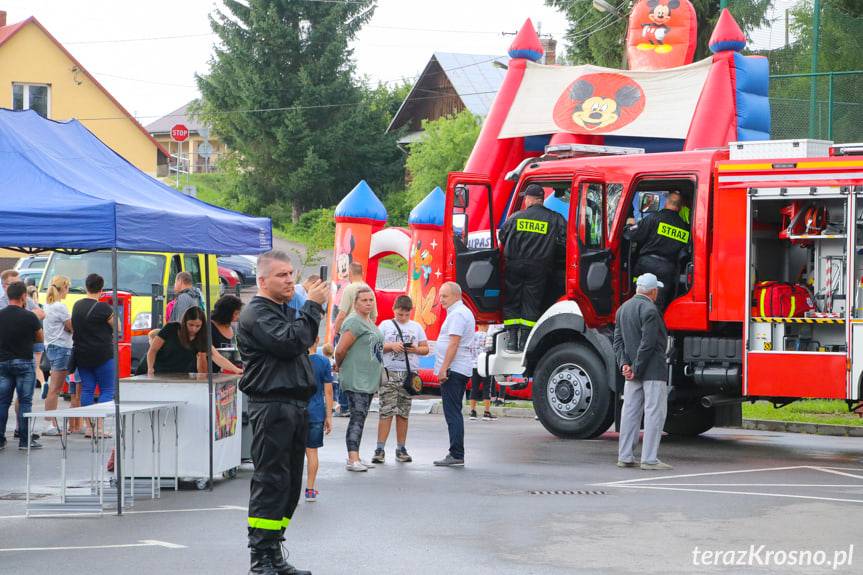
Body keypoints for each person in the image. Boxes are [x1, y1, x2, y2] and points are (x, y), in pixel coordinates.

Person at [237, 250, 327, 575]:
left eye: (291, 274)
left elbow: (304, 338)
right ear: (262, 280)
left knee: (289, 484)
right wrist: (313, 306)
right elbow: (292, 343)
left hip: (294, 406)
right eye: (281, 275)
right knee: (271, 480)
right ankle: (260, 559)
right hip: (272, 406)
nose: (289, 280)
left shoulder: (283, 310)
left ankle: (274, 552)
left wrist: (308, 310)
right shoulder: (258, 313)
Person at [613, 273, 672, 471]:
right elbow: (648, 344)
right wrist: (636, 369)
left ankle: (625, 456)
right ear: (653, 291)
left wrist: (625, 366)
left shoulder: (622, 309)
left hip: (631, 372)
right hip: (652, 370)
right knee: (654, 413)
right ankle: (649, 459)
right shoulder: (650, 310)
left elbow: (618, 342)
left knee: (629, 412)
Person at [498, 183, 565, 352]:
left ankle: (512, 340)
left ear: (529, 199)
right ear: (541, 200)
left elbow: (502, 236)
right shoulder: (555, 218)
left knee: (512, 301)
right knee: (532, 302)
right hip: (539, 268)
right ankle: (525, 341)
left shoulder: (515, 218)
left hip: (514, 266)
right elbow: (565, 242)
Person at [371, 295, 429, 464]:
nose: (402, 318)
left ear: (410, 312)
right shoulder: (385, 325)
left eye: (405, 315)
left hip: (408, 375)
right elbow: (375, 345)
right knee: (386, 411)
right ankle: (380, 448)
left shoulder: (416, 327)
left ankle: (401, 448)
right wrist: (391, 346)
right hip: (389, 373)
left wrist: (416, 350)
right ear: (394, 310)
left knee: (403, 413)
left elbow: (425, 349)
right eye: (399, 314)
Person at [334, 286, 383, 472]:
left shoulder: (369, 321)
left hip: (369, 378)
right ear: (355, 303)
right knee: (357, 416)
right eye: (364, 300)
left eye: (371, 300)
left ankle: (356, 456)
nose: (369, 303)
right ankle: (352, 458)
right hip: (356, 377)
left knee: (361, 417)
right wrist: (339, 365)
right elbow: (340, 349)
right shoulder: (354, 321)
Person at [433, 282, 475, 467]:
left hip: (454, 369)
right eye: (440, 296)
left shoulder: (458, 314)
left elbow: (453, 343)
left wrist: (444, 368)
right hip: (458, 367)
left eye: (445, 296)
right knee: (453, 411)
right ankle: (456, 452)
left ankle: (456, 453)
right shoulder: (459, 312)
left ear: (456, 296)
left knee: (452, 413)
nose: (441, 300)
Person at [625, 190, 690, 310]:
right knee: (659, 304)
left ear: (666, 202)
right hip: (668, 271)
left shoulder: (654, 218)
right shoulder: (685, 228)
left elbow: (630, 235)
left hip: (646, 267)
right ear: (680, 207)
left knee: (639, 301)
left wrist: (629, 225)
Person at [0, 281, 44, 451]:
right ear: (24, 296)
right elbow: (40, 338)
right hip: (24, 362)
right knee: (25, 401)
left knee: (3, 402)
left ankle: (0, 439)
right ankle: (25, 441)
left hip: (3, 362)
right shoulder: (29, 316)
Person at [147, 307, 240, 375]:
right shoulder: (171, 328)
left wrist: (236, 370)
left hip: (181, 376)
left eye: (197, 326)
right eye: (190, 325)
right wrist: (150, 368)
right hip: (158, 372)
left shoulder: (202, 337)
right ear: (184, 322)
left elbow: (217, 357)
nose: (194, 329)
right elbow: (153, 350)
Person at [71, 274, 115, 409]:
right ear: (101, 289)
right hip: (102, 355)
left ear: (86, 287)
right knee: (107, 390)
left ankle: (90, 428)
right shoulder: (104, 308)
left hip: (82, 355)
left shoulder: (77, 305)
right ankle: (100, 427)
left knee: (87, 390)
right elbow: (118, 326)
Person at [42, 275, 74, 437]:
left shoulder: (47, 306)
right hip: (62, 347)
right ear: (64, 288)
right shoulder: (60, 307)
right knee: (55, 389)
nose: (68, 291)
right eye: (68, 288)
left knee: (53, 387)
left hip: (51, 346)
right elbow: (71, 327)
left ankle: (51, 422)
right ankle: (51, 424)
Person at [304, 337, 333, 503]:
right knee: (312, 452)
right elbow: (328, 392)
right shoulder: (323, 362)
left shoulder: (295, 360)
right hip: (315, 412)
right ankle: (309, 489)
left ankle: (288, 490)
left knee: (291, 453)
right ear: (317, 340)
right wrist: (328, 416)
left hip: (294, 412)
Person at [332, 262, 377, 339]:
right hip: (362, 334)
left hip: (347, 333)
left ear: (350, 272)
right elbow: (373, 317)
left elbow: (341, 315)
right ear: (362, 273)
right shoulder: (369, 290)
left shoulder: (349, 288)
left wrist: (336, 331)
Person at [468, 325, 497, 421]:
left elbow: (469, 350)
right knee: (487, 388)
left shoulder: (472, 336)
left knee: (474, 388)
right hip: (486, 365)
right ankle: (486, 412)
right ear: (488, 326)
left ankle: (472, 412)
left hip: (474, 365)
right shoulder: (489, 337)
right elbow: (491, 350)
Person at [210, 294, 244, 373]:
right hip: (214, 375)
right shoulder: (209, 328)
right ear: (226, 313)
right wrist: (236, 370)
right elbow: (213, 355)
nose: (238, 316)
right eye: (235, 313)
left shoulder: (234, 327)